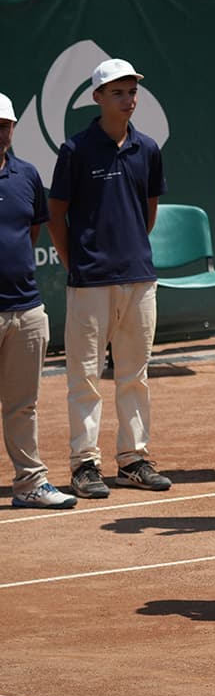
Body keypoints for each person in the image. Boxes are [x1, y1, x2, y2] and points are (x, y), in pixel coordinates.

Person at [48, 58, 171, 498]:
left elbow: (148, 212)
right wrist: (76, 263)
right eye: (117, 92)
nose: (128, 99)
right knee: (84, 377)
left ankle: (133, 459)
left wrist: (129, 252)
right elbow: (56, 216)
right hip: (90, 281)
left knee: (134, 374)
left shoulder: (148, 149)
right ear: (97, 98)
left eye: (132, 91)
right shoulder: (75, 150)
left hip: (139, 278)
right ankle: (84, 464)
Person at [0, 92, 73, 509]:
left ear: (13, 128)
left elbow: (30, 234)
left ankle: (29, 483)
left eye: (4, 126)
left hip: (26, 309)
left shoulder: (27, 175)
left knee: (23, 406)